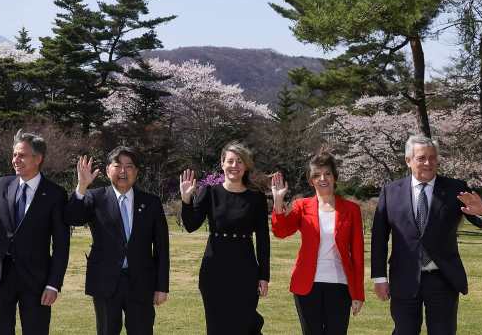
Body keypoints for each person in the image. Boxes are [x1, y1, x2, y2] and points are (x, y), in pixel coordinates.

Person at [371, 135, 482, 335]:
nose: (428, 163)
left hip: (443, 279)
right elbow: (379, 238)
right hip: (404, 278)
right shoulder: (390, 191)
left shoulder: (456, 189)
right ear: (408, 161)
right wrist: (379, 278)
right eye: (421, 158)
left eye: (432, 157)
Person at [0, 131, 70, 335]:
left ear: (38, 159)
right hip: (1, 278)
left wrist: (54, 284)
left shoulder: (55, 194)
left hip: (37, 281)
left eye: (22, 155)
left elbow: (62, 244)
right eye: (14, 154)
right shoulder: (1, 184)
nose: (15, 160)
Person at [65, 147, 169, 335]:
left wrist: (161, 287)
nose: (123, 171)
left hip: (141, 282)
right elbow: (73, 218)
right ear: (107, 170)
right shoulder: (94, 197)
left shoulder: (151, 202)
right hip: (105, 281)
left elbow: (162, 247)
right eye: (118, 165)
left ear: (136, 171)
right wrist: (81, 187)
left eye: (129, 166)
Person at [179, 141, 270, 335]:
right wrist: (186, 200)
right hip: (214, 271)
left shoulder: (256, 197)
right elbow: (191, 225)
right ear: (222, 164)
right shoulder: (210, 192)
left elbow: (263, 239)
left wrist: (264, 276)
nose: (234, 166)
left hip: (245, 270)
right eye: (230, 161)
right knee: (217, 325)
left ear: (245, 166)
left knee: (246, 324)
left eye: (239, 161)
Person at [270, 149, 365, 335]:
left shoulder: (352, 209)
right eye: (317, 175)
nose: (323, 179)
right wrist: (278, 200)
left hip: (340, 285)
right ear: (311, 180)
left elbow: (358, 254)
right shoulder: (301, 206)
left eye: (327, 174)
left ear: (334, 177)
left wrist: (358, 294)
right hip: (307, 285)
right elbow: (281, 231)